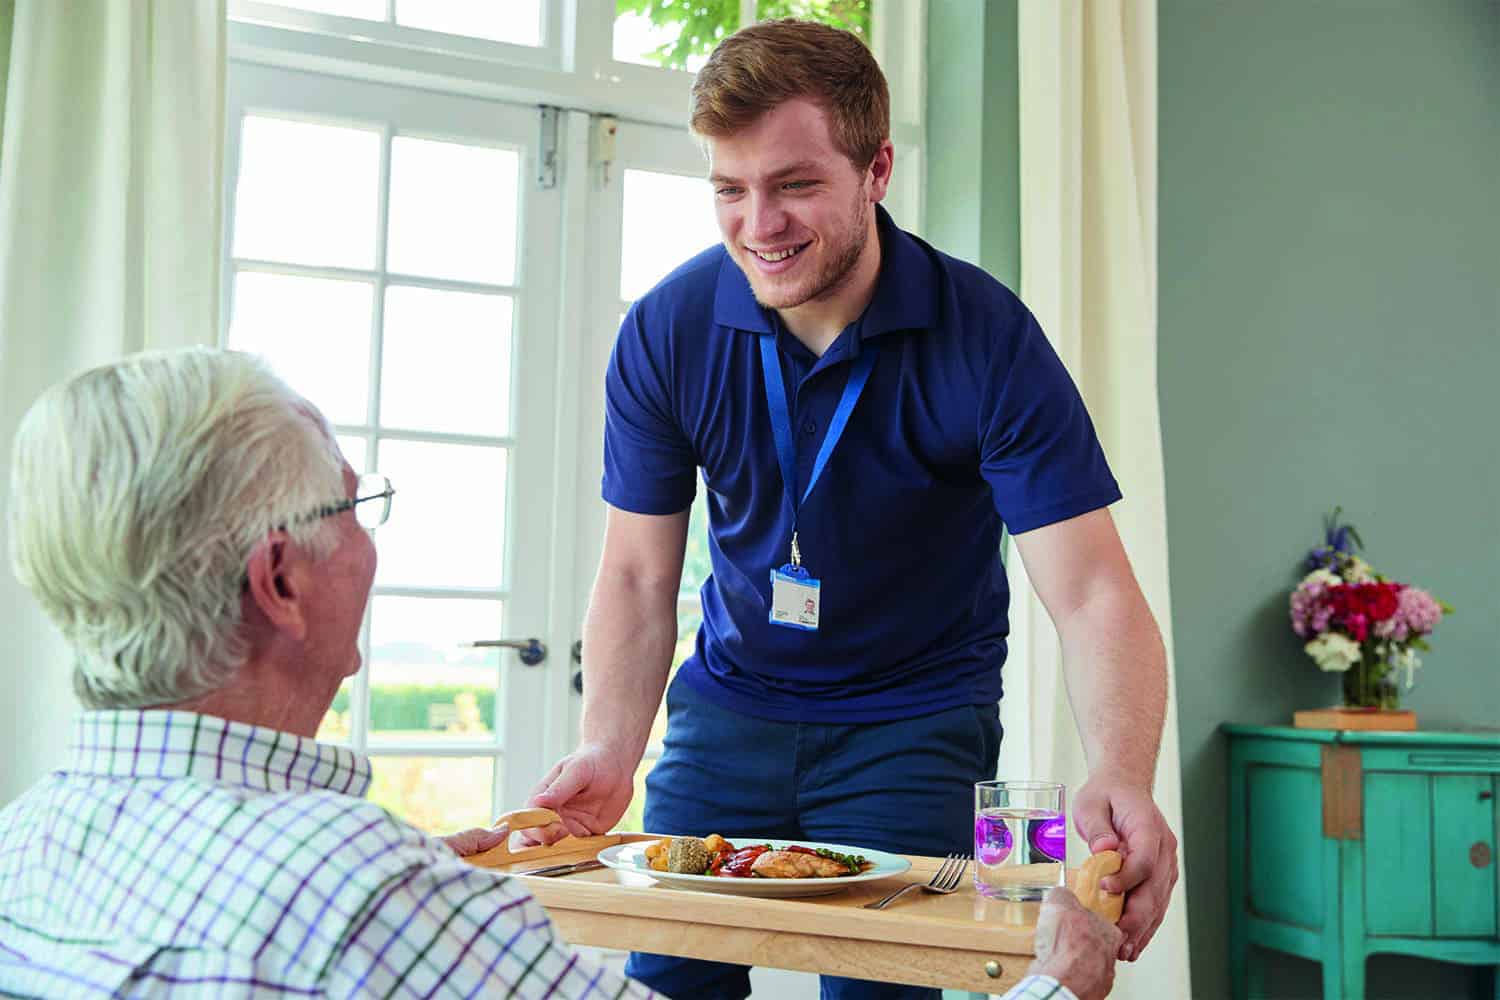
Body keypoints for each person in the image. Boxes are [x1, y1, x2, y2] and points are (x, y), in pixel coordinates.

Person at [527, 18, 1178, 1000]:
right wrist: (610, 747)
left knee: (882, 989)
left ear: (877, 169)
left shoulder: (988, 336)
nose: (760, 224)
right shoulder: (667, 329)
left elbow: (1091, 591)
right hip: (729, 712)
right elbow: (635, 572)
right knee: (664, 979)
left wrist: (1122, 771)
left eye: (794, 185)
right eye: (730, 190)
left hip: (913, 719)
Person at [0, 348, 652, 998]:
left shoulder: (21, 838)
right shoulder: (356, 889)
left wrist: (422, 901)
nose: (368, 542)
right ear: (280, 580)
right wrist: (403, 899)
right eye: (351, 506)